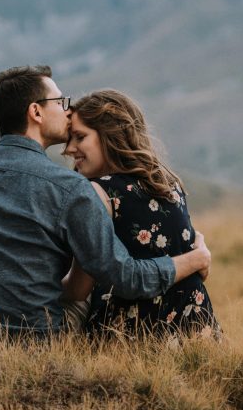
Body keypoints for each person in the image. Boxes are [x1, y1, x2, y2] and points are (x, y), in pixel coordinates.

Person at [0, 66, 212, 343]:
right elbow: (123, 277)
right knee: (92, 276)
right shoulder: (71, 188)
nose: (68, 110)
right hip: (41, 346)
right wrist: (195, 259)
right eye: (60, 102)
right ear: (36, 112)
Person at [64, 89, 221, 339]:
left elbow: (78, 290)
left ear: (110, 134)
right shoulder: (169, 181)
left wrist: (36, 288)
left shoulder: (97, 193)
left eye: (80, 137)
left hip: (132, 334)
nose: (69, 149)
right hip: (196, 327)